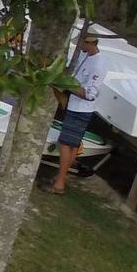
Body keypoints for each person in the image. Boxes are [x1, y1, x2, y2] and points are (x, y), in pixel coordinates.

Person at [47, 28, 109, 194]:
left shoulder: (99, 64)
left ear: (90, 43)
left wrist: (67, 84)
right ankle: (60, 179)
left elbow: (90, 94)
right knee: (72, 146)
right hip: (72, 104)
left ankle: (59, 183)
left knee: (65, 144)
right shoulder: (84, 55)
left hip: (81, 109)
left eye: (82, 42)